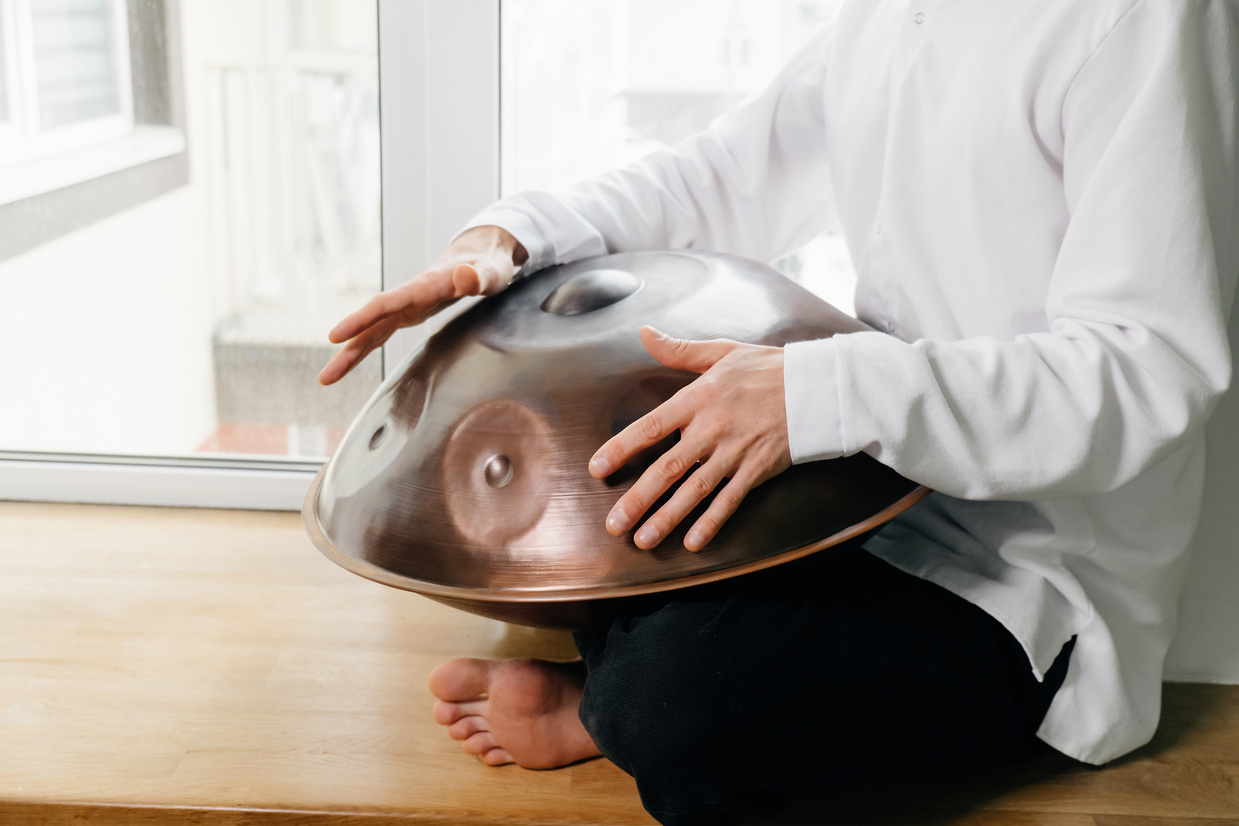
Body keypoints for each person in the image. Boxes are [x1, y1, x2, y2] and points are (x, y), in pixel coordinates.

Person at [319, 2, 1239, 824]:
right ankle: (622, 675)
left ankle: (598, 708)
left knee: (677, 699)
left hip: (1031, 581)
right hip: (862, 501)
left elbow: (1149, 367)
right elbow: (726, 175)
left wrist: (815, 394)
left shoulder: (1142, 18)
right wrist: (511, 237)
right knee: (593, 524)